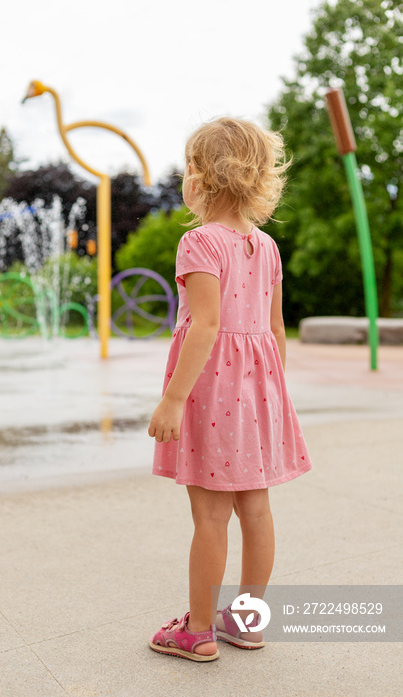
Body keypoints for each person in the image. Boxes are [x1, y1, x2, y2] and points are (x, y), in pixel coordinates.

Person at [147, 117, 312, 662]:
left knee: (211, 517)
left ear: (198, 177)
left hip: (212, 394)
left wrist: (172, 398)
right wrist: (275, 394)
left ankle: (196, 630)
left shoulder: (198, 243)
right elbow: (275, 329)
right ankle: (247, 620)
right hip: (259, 394)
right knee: (256, 511)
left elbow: (206, 326)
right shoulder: (265, 247)